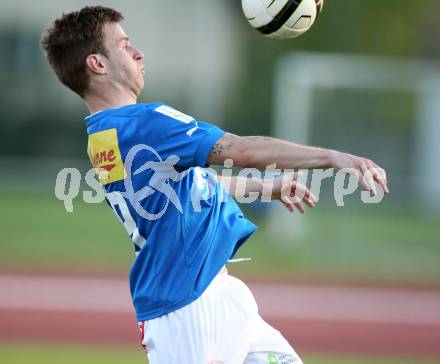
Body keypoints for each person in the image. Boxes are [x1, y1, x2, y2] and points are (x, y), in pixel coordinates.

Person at [41, 6, 388, 364]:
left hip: (221, 294)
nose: (138, 52)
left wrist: (265, 189)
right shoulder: (145, 123)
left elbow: (186, 188)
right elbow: (244, 151)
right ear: (97, 64)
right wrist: (334, 158)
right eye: (125, 45)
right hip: (186, 311)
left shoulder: (103, 134)